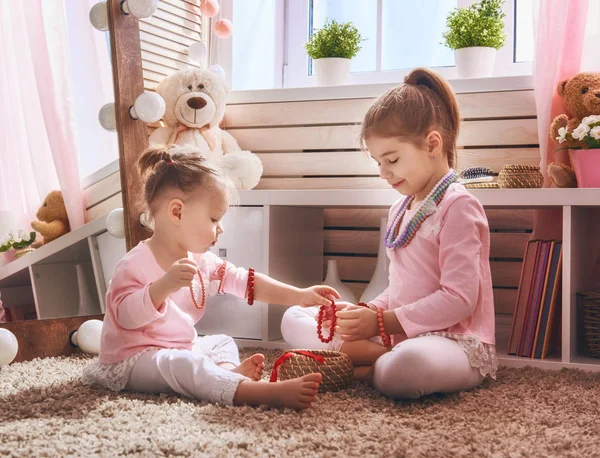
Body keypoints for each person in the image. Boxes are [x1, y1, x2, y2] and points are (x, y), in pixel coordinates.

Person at [281, 68, 497, 400]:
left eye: (392, 159)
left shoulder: (459, 207)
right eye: (377, 163)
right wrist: (365, 313)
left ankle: (366, 365)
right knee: (294, 318)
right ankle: (373, 360)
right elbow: (399, 290)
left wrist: (380, 323)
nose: (384, 173)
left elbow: (459, 300)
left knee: (407, 367)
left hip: (454, 342)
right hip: (397, 332)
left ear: (432, 144)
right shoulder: (400, 209)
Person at [83, 144, 341, 409]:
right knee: (185, 365)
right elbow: (125, 316)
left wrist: (299, 295)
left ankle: (227, 374)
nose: (221, 228)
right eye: (214, 219)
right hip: (134, 359)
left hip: (179, 348)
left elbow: (246, 282)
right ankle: (258, 392)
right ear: (177, 212)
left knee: (221, 342)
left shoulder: (202, 261)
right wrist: (162, 287)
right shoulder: (133, 265)